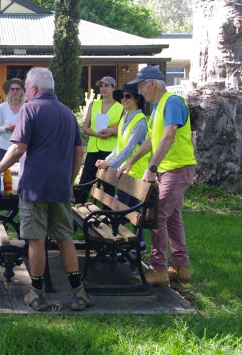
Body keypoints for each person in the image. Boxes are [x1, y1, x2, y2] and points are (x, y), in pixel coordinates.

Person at [0, 67, 92, 311]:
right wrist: (70, 183)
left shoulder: (29, 109)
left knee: (36, 240)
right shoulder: (69, 114)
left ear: (35, 88)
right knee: (65, 239)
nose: (25, 92)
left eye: (27, 88)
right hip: (60, 189)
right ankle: (79, 292)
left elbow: (18, 148)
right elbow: (79, 153)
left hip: (35, 189)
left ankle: (37, 293)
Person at [118, 65, 197, 287]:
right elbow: (152, 140)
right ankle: (181, 268)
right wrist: (131, 162)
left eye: (141, 86)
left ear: (152, 83)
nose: (140, 92)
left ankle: (158, 269)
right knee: (172, 217)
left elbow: (169, 136)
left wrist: (151, 167)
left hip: (177, 168)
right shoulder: (158, 107)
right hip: (169, 168)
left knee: (156, 215)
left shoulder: (172, 102)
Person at [96, 82, 150, 250]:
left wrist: (110, 163)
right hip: (125, 174)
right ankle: (139, 244)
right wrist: (107, 159)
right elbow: (119, 146)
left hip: (135, 174)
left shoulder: (140, 122)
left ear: (137, 99)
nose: (124, 99)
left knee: (119, 209)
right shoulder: (125, 118)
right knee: (132, 211)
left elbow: (128, 149)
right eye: (122, 96)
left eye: (128, 96)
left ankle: (117, 242)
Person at [75, 76, 123, 203]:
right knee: (85, 181)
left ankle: (108, 214)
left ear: (113, 88)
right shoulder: (93, 104)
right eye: (101, 86)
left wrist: (111, 131)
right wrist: (97, 134)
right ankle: (77, 209)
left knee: (108, 186)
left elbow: (124, 129)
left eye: (107, 85)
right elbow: (85, 128)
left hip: (109, 152)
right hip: (93, 148)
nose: (103, 88)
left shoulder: (121, 107)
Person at [0, 78, 26, 159]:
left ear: (21, 91)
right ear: (9, 91)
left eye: (17, 89)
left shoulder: (26, 107)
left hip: (20, 147)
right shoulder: (2, 107)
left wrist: (18, 128)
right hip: (3, 147)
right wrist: (6, 128)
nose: (15, 91)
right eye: (12, 89)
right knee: (4, 171)